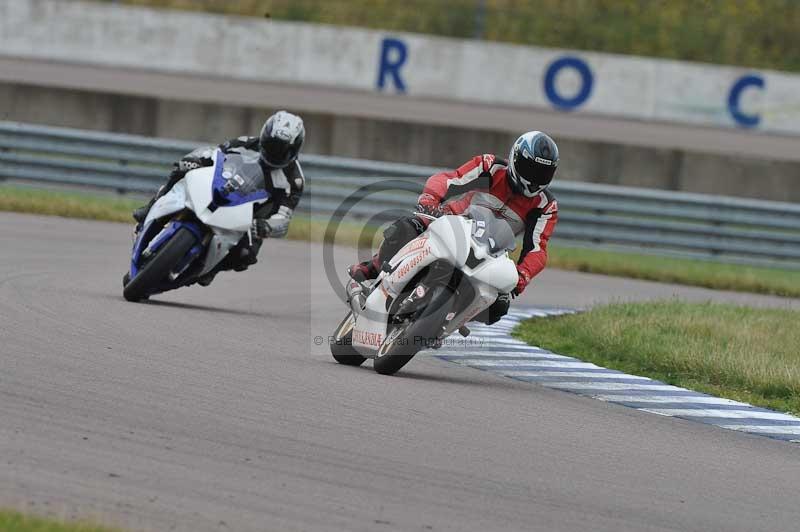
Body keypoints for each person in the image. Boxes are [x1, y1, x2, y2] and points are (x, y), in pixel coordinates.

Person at [348, 131, 559, 324]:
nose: (534, 178)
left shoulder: (545, 206)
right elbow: (450, 180)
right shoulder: (490, 167)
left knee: (498, 306)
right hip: (451, 224)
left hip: (491, 253)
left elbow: (537, 249)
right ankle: (373, 267)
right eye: (531, 169)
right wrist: (431, 198)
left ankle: (444, 323)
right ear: (515, 158)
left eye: (543, 173)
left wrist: (523, 274)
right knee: (407, 228)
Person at [132, 110, 305, 285]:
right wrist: (195, 159)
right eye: (272, 145)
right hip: (224, 189)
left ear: (294, 150)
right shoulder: (247, 143)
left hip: (250, 218)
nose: (275, 152)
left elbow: (284, 218)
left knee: (246, 255)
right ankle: (151, 206)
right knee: (181, 171)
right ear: (264, 136)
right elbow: (215, 153)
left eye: (282, 150)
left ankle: (211, 269)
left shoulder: (294, 181)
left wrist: (266, 226)